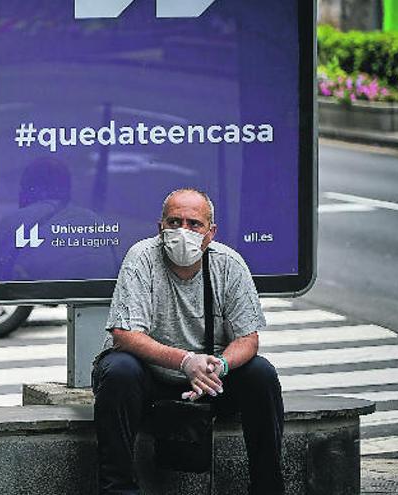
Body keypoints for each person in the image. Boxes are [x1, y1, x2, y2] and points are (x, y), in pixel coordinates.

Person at [91, 188, 284, 495]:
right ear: (160, 227)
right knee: (118, 371)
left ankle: (268, 487)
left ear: (211, 232)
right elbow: (124, 335)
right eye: (174, 222)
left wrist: (219, 365)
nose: (183, 231)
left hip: (209, 379)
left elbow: (248, 338)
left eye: (194, 224)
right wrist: (185, 361)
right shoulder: (141, 258)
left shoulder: (229, 265)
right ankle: (118, 490)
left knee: (261, 374)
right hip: (150, 376)